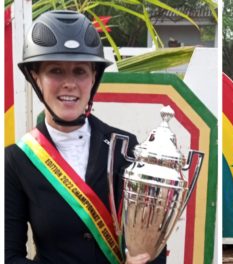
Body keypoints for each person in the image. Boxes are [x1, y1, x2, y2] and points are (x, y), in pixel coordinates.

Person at [5, 10, 166, 264]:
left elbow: (151, 237)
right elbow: (9, 256)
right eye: (56, 71)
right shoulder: (16, 160)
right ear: (36, 78)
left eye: (79, 71)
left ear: (93, 78)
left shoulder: (125, 146)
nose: (69, 83)